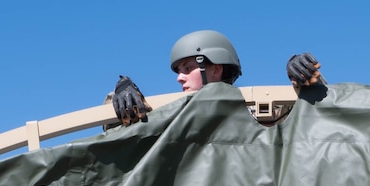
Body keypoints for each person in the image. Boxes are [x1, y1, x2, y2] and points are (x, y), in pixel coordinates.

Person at [110, 31, 325, 125]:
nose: (179, 79)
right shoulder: (172, 116)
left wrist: (305, 80)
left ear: (215, 69)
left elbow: (306, 123)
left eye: (188, 68)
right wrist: (119, 97)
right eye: (178, 72)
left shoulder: (255, 112)